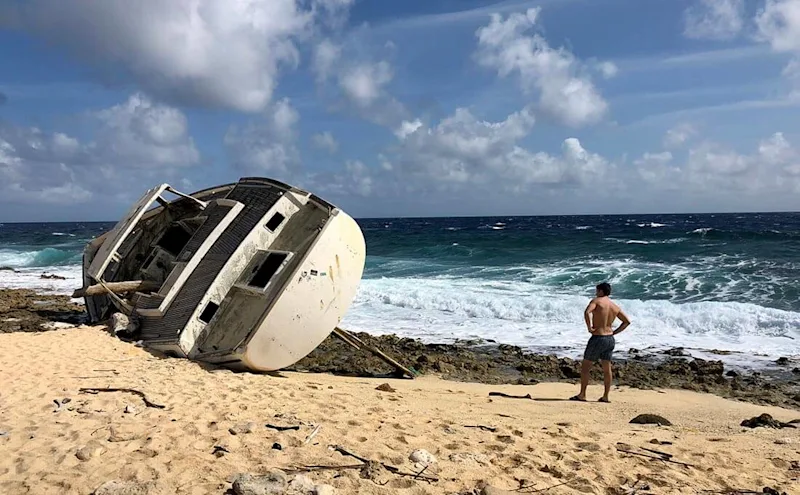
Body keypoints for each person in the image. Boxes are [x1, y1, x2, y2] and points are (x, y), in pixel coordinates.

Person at [570, 282, 630, 403]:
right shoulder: (614, 306)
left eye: (597, 291)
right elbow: (627, 321)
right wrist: (614, 332)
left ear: (601, 291)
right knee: (607, 369)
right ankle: (606, 396)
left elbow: (587, 312)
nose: (596, 293)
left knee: (586, 367)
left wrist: (589, 328)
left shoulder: (597, 301)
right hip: (609, 339)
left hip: (598, 337)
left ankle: (582, 394)